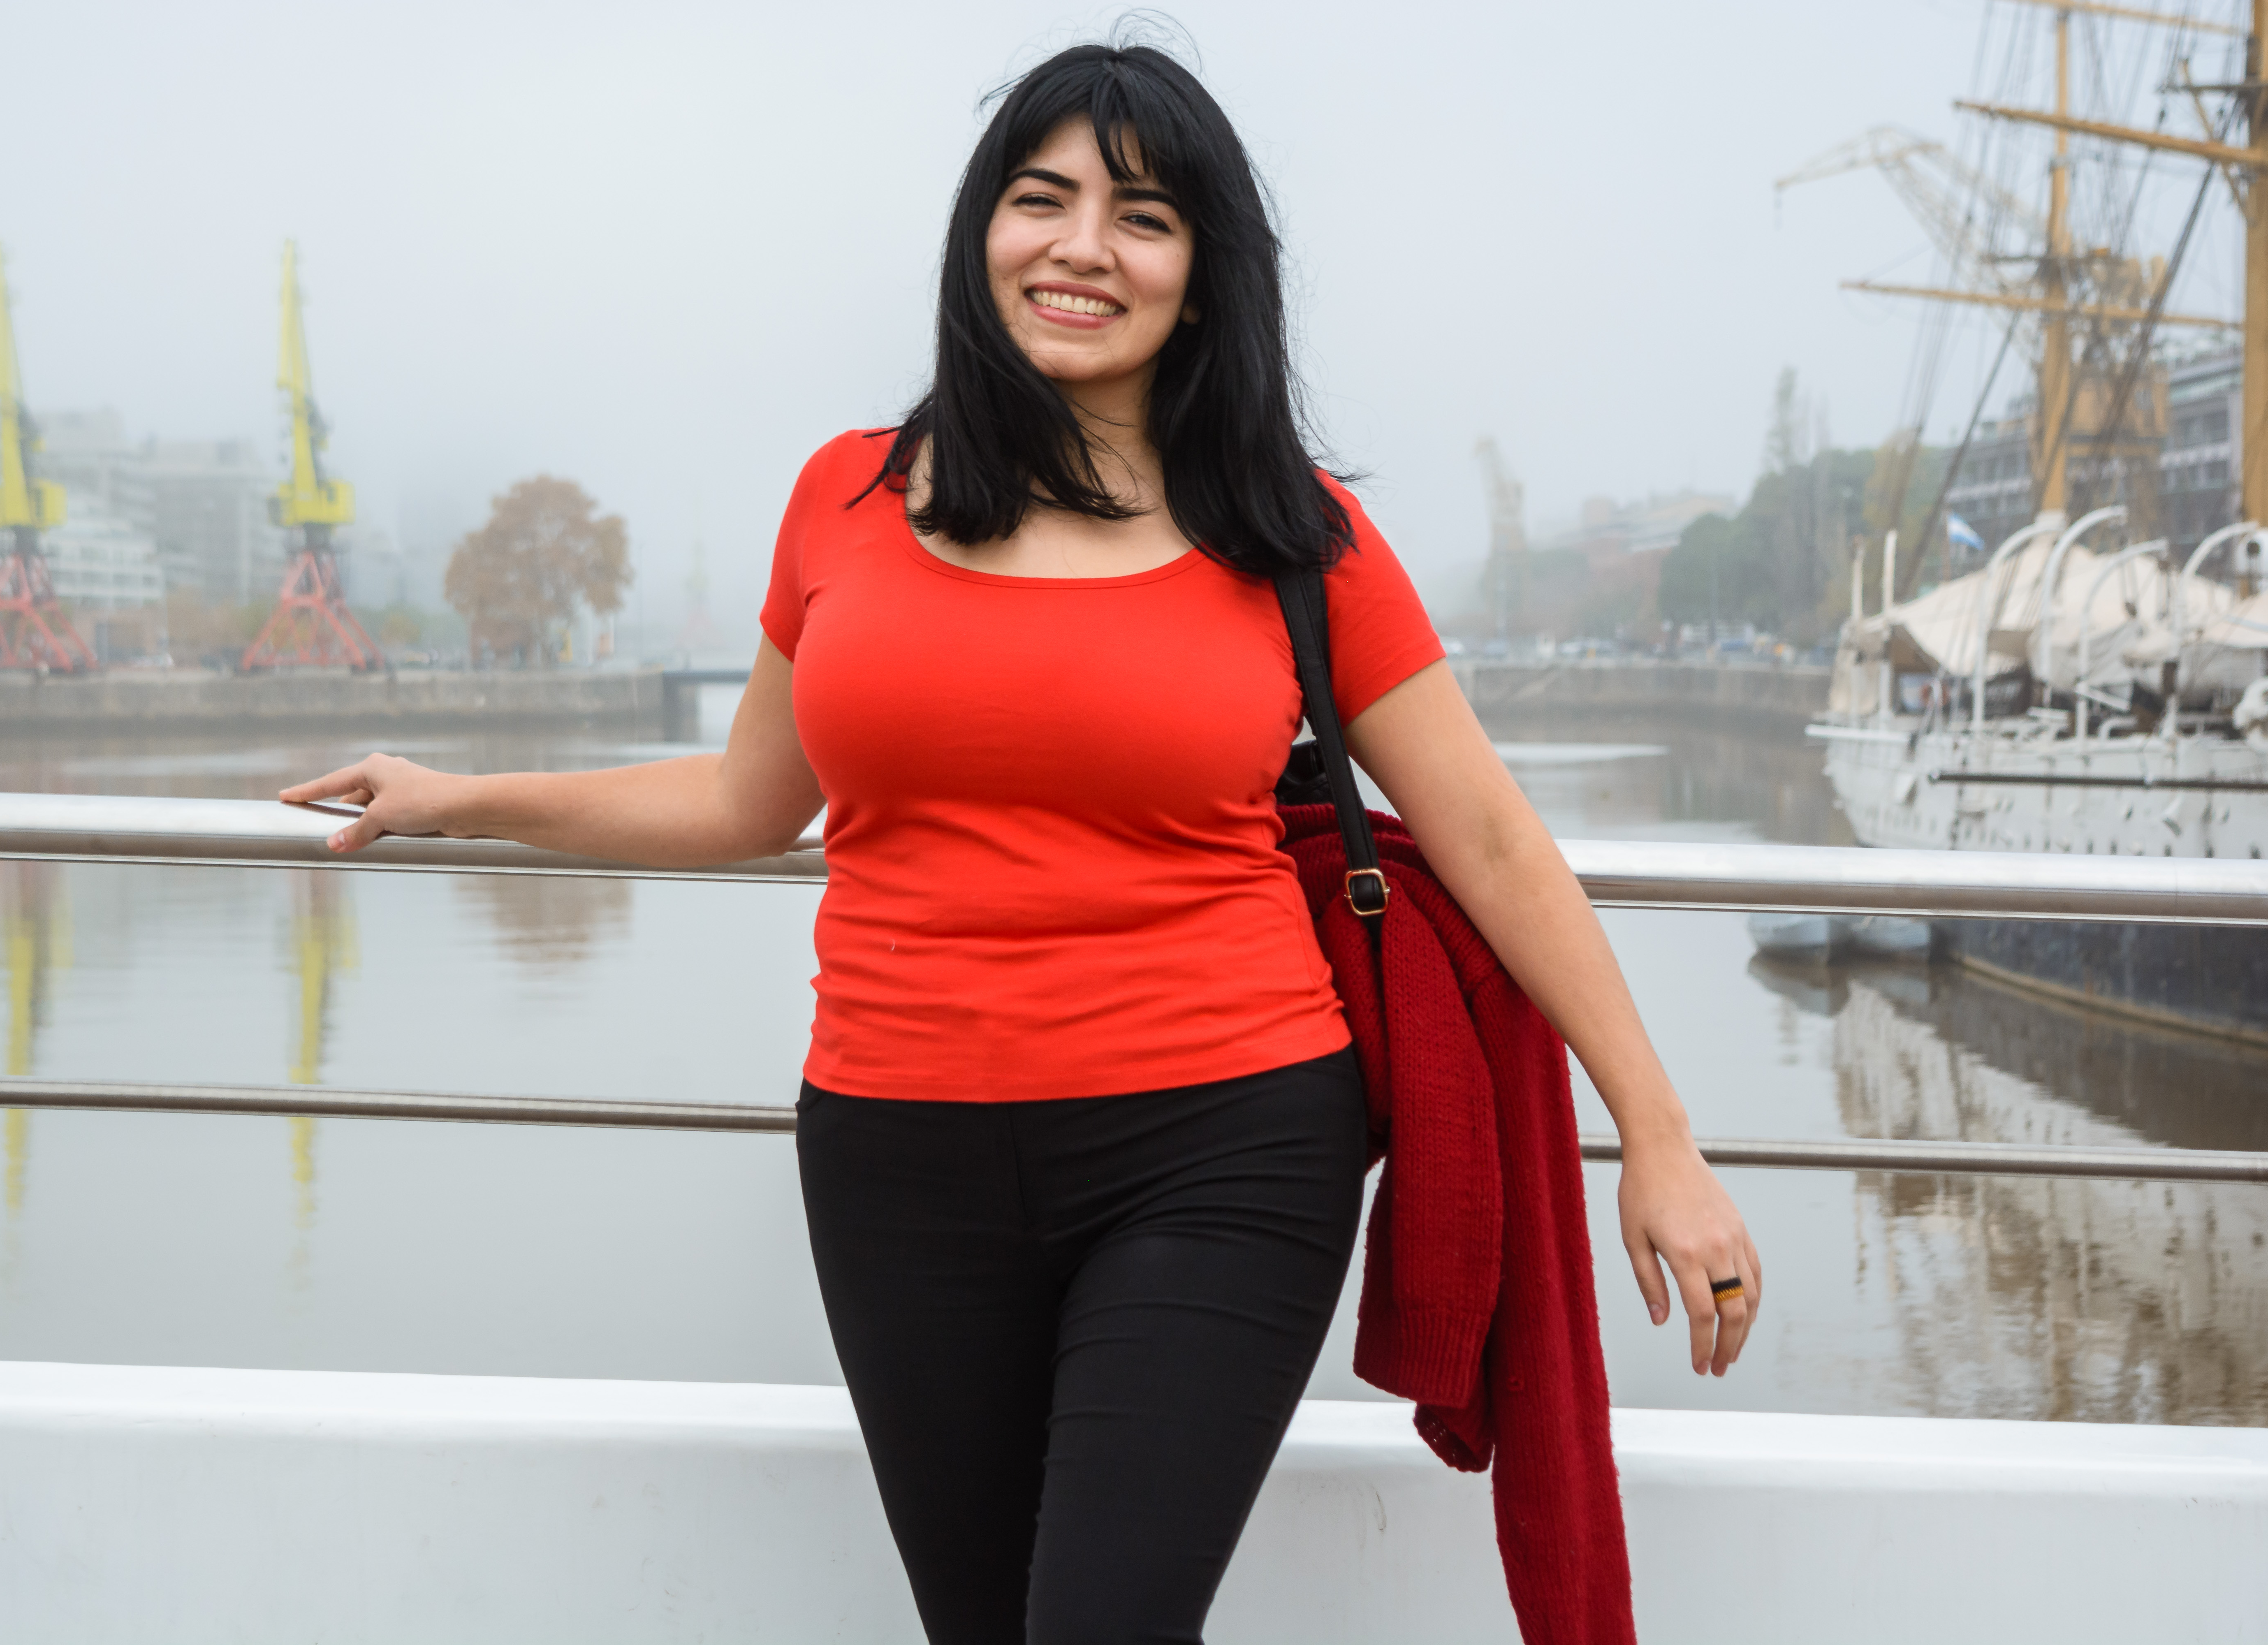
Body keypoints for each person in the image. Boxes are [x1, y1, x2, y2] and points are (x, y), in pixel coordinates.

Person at [282, 42, 1759, 1645]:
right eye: (1039, 199)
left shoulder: (1289, 530)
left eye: (1141, 216)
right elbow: (746, 801)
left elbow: (1486, 836)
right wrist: (463, 797)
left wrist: (1657, 1134)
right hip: (893, 1152)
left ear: (1202, 276)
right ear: (979, 235)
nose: (1079, 248)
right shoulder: (843, 499)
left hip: (1225, 1144)